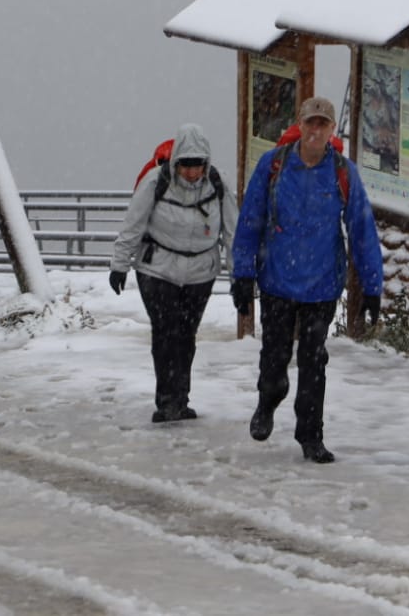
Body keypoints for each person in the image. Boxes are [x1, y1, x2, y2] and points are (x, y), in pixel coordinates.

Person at [231, 96, 384, 464]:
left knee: (314, 362)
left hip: (322, 285)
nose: (316, 130)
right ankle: (268, 400)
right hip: (277, 279)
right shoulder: (274, 165)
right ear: (300, 125)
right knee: (275, 357)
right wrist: (242, 274)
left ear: (332, 129)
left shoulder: (343, 172)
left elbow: (361, 229)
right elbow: (250, 220)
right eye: (310, 123)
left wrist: (372, 285)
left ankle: (310, 435)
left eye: (323, 124)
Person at [110, 124, 239, 423]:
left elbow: (233, 233)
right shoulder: (156, 182)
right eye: (186, 165)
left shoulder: (217, 185)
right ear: (176, 162)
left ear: (205, 163)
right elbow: (133, 224)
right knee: (166, 332)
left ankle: (181, 398)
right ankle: (167, 400)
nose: (192, 172)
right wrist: (119, 265)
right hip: (157, 269)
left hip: (200, 273)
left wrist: (239, 277)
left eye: (197, 165)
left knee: (186, 335)